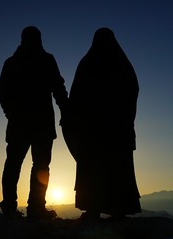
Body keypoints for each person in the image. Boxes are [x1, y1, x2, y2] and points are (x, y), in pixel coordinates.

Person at [66, 27, 141, 219]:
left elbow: (76, 95)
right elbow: (132, 92)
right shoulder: (123, 65)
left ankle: (93, 209)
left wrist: (72, 117)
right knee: (118, 168)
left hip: (93, 130)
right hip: (118, 130)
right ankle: (120, 209)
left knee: (92, 169)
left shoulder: (88, 63)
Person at [0, 26, 68, 220]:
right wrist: (65, 109)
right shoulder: (45, 59)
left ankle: (15, 207)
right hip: (38, 122)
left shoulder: (13, 62)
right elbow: (58, 88)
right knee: (36, 165)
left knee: (18, 164)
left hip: (25, 122)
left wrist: (11, 113)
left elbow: (2, 91)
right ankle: (34, 208)